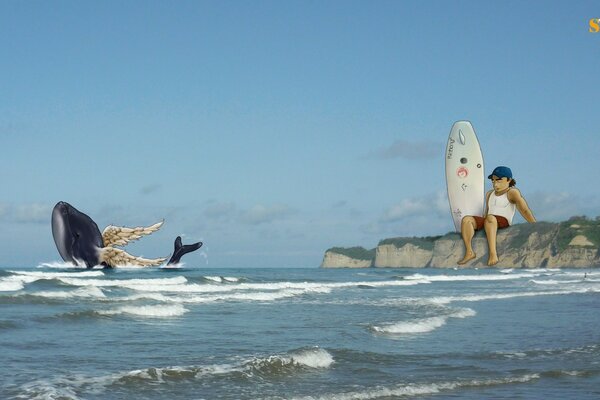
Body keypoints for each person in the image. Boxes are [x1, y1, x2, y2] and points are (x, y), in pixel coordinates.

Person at [458, 166, 536, 266]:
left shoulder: (512, 192)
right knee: (466, 219)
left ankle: (493, 254)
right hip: (489, 220)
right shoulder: (489, 194)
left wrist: (534, 224)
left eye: (499, 180)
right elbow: (486, 211)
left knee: (490, 218)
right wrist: (479, 225)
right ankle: (469, 252)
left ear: (509, 180)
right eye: (493, 181)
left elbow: (524, 210)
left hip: (503, 221)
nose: (495, 183)